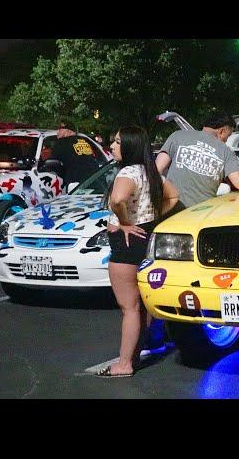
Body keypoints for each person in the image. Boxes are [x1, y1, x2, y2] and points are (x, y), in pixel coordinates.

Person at [95, 125, 179, 378]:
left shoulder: (128, 172)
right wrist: (150, 219)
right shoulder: (149, 172)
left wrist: (126, 223)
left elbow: (117, 200)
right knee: (141, 306)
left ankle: (124, 364)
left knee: (129, 308)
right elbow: (174, 197)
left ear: (129, 146)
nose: (112, 146)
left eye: (118, 142)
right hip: (146, 237)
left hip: (126, 242)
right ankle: (134, 355)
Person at [155, 111, 239, 208]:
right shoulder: (225, 151)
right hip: (200, 215)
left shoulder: (178, 136)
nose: (226, 141)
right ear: (222, 131)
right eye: (227, 137)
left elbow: (155, 171)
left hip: (169, 211)